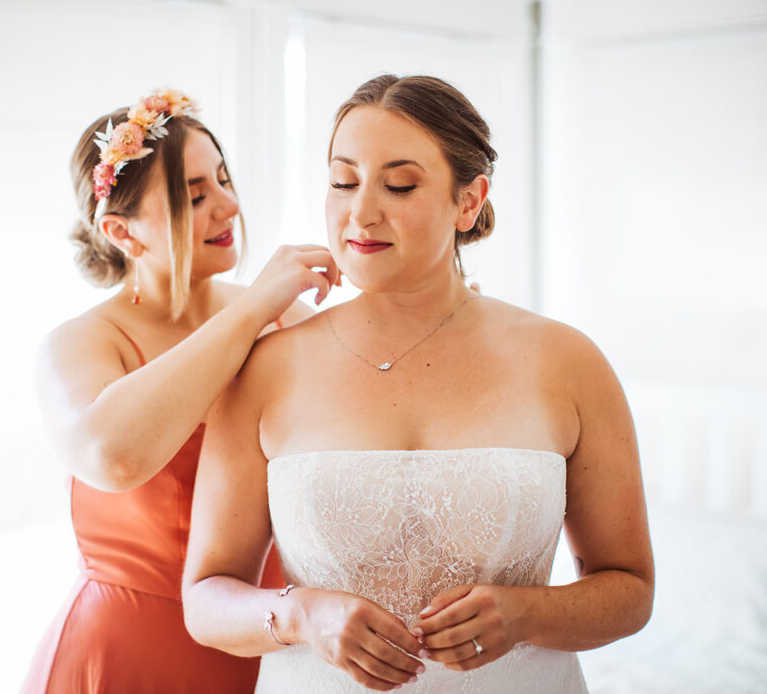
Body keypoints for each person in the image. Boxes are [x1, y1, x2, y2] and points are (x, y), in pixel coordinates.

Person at [182, 75, 654, 693]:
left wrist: (530, 613)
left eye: (399, 185)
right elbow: (205, 598)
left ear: (469, 200)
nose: (361, 212)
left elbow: (630, 590)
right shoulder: (266, 368)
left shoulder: (565, 360)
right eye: (343, 181)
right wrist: (300, 613)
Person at [20, 89, 339, 693]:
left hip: (261, 636)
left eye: (223, 180)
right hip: (127, 653)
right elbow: (112, 456)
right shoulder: (79, 344)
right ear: (122, 231)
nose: (229, 205)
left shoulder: (278, 315)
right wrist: (250, 312)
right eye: (195, 196)